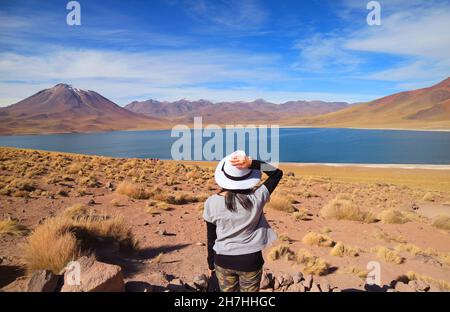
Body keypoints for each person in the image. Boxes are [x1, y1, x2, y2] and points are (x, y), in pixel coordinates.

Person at [203, 150, 283, 292]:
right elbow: (277, 174)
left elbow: (211, 238)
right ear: (248, 178)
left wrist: (211, 265)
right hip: (251, 261)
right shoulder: (257, 198)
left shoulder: (211, 202)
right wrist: (252, 163)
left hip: (223, 260)